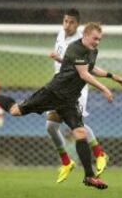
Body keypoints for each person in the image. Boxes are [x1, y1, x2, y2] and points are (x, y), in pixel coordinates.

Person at [0, 22, 122, 189]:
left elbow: (91, 68)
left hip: (69, 100)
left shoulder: (93, 50)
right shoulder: (76, 48)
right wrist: (104, 88)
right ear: (85, 35)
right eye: (95, 38)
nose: (97, 42)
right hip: (53, 93)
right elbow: (84, 73)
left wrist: (111, 75)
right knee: (15, 111)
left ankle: (89, 176)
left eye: (99, 40)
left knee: (80, 132)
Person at [47, 9, 108, 183]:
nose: (67, 25)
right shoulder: (60, 34)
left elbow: (84, 68)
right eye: (65, 21)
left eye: (71, 22)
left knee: (77, 125)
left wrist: (60, 59)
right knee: (50, 126)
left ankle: (99, 154)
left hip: (76, 88)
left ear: (78, 24)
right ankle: (66, 162)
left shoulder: (82, 42)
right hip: (58, 87)